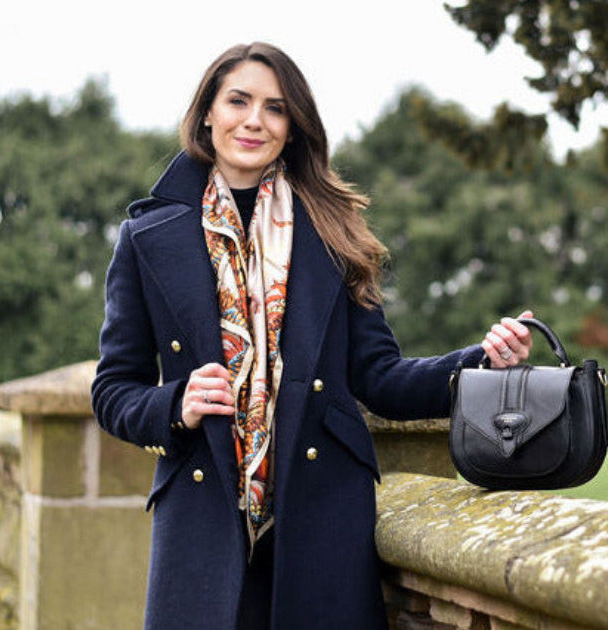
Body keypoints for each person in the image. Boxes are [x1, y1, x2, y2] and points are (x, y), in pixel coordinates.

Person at [91, 42, 533, 630]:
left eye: (275, 108)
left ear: (293, 129)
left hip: (321, 514)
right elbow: (113, 390)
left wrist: (480, 363)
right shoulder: (147, 237)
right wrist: (176, 404)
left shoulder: (334, 230)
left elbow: (380, 378)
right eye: (238, 101)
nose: (254, 120)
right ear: (207, 114)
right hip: (202, 515)